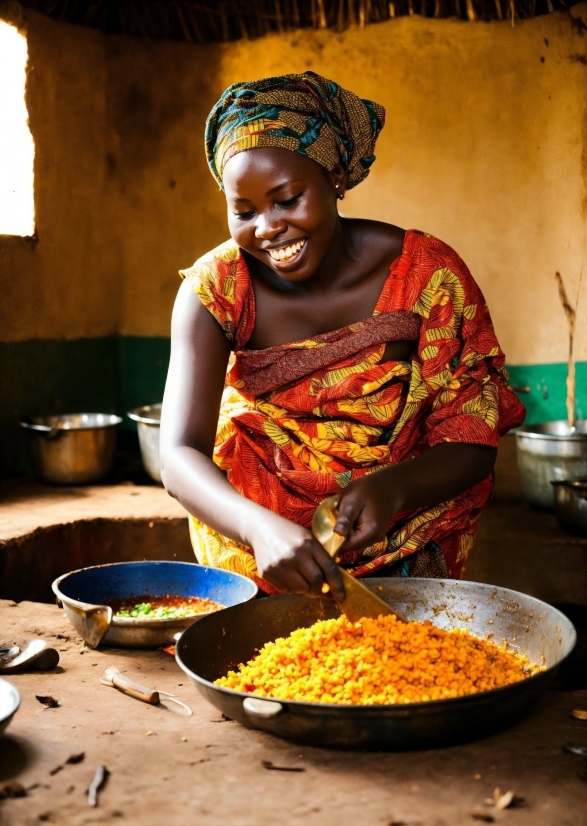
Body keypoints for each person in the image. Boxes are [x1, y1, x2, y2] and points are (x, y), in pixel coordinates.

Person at [160, 72, 525, 601]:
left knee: (403, 666)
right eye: (243, 211)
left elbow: (472, 439)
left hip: (404, 530)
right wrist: (258, 528)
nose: (266, 227)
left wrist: (390, 488)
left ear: (334, 177)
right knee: (268, 666)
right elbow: (178, 454)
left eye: (286, 200)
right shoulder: (216, 290)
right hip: (257, 538)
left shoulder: (428, 277)